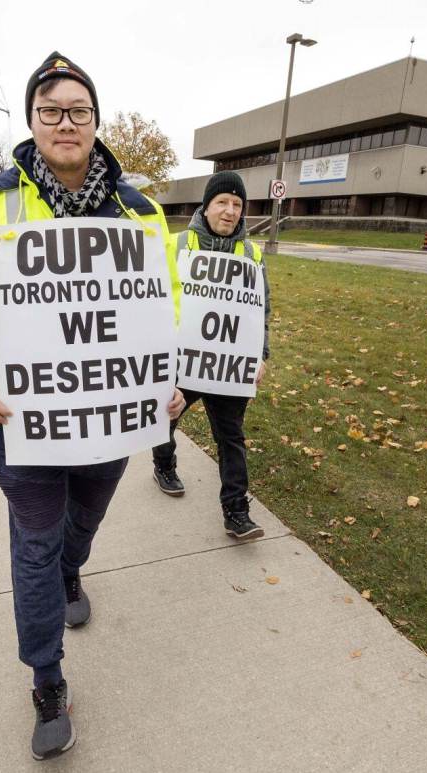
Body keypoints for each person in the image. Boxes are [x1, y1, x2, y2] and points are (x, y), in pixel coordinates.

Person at [0, 51, 183, 761]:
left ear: (96, 122)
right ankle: (47, 679)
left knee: (87, 520)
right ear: (33, 123)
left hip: (110, 419)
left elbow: (161, 305)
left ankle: (76, 568)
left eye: (78, 110)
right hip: (27, 423)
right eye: (51, 112)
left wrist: (168, 375)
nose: (65, 122)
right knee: (35, 545)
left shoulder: (141, 212)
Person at [152, 171, 270, 540]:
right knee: (165, 420)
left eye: (237, 204)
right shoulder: (177, 244)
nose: (230, 211)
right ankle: (163, 463)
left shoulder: (251, 253)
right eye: (222, 202)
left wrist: (259, 355)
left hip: (228, 365)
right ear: (206, 206)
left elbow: (260, 310)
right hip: (182, 361)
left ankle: (236, 511)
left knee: (231, 437)